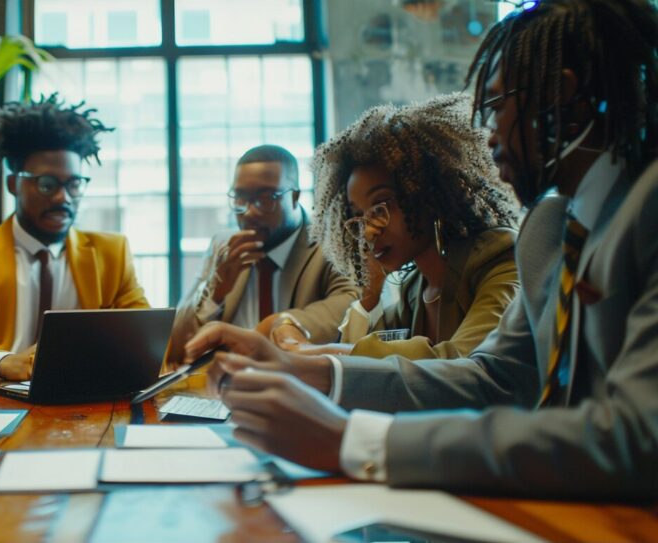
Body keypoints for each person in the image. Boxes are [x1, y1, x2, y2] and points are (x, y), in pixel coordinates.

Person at [185, 0, 658, 499]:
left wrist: (353, 440)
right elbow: (492, 378)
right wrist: (302, 368)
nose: (488, 134)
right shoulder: (550, 228)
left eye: (495, 107)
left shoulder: (643, 208)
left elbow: (637, 438)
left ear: (562, 96)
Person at [0, 95, 150, 388]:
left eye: (74, 184)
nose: (63, 197)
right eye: (47, 184)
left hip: (86, 404)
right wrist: (3, 363)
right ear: (14, 184)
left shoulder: (112, 255)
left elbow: (148, 348)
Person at [269, 94, 521, 361]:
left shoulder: (500, 260)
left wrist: (312, 352)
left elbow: (460, 362)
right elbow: (366, 371)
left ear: (428, 194)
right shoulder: (413, 288)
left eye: (381, 206)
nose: (369, 232)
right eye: (359, 216)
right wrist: (369, 295)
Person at [167, 145, 359, 365]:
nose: (249, 211)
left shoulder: (331, 242)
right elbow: (176, 343)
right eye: (240, 198)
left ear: (295, 197)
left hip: (298, 380)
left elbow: (351, 303)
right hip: (226, 380)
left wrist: (279, 326)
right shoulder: (224, 246)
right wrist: (214, 295)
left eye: (267, 197)